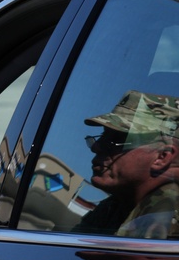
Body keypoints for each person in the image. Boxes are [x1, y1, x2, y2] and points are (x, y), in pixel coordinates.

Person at [75, 90, 179, 238]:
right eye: (104, 135)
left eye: (118, 138)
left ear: (162, 157)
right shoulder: (116, 205)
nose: (96, 146)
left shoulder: (167, 212)